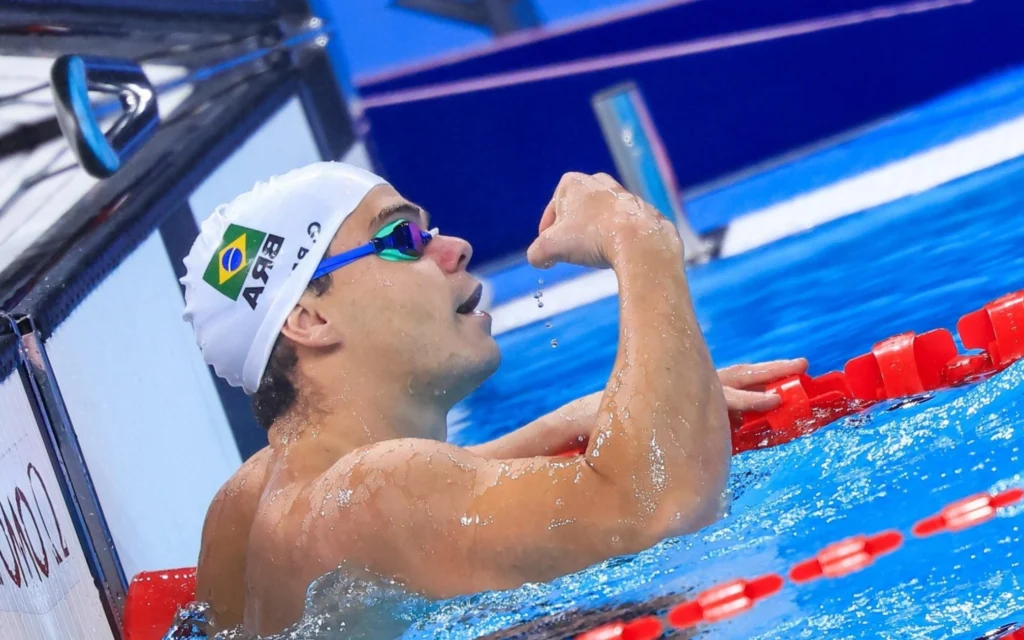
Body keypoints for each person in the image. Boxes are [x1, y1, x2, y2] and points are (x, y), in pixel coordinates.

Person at [181, 162, 806, 636]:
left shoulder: (244, 506)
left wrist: (560, 422)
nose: (453, 248)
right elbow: (660, 510)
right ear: (309, 320)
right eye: (403, 238)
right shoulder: (374, 493)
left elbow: (412, 496)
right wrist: (639, 239)